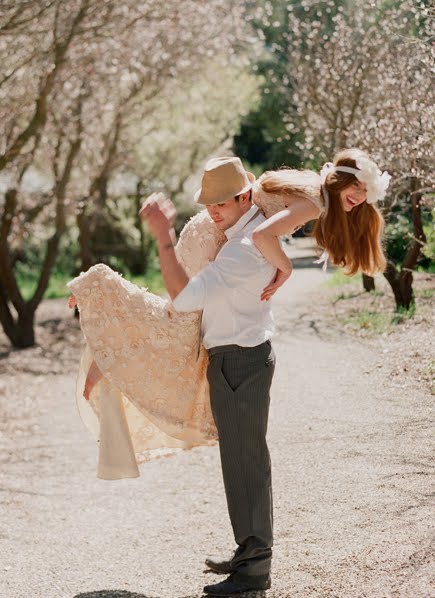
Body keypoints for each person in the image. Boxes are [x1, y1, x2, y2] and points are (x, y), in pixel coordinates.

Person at [67, 148, 390, 482]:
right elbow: (261, 235)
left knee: (174, 322)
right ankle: (103, 304)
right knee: (178, 324)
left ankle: (111, 350)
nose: (359, 197)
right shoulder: (315, 202)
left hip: (206, 228)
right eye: (356, 188)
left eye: (365, 192)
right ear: (340, 181)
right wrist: (286, 267)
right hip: (211, 235)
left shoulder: (308, 183)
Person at [140, 156, 279, 595]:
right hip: (240, 358)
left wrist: (163, 237)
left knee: (245, 463)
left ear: (245, 196)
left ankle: (254, 567)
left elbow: (183, 298)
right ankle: (248, 553)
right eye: (209, 203)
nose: (214, 210)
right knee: (241, 461)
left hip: (239, 361)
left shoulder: (242, 249)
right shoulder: (248, 233)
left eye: (222, 202)